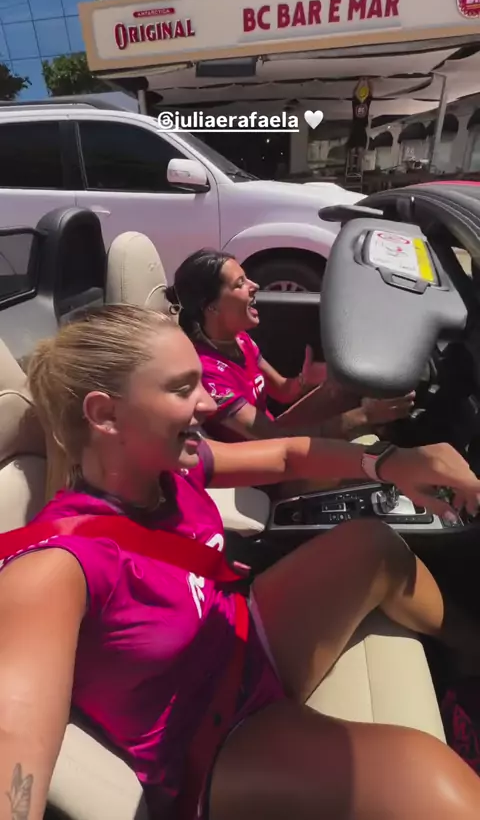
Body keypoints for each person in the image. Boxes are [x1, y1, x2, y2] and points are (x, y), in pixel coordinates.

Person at [1, 304, 480, 820]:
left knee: (372, 544)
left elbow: (285, 456)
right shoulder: (53, 568)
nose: (207, 402)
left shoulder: (170, 468)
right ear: (106, 415)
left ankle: (472, 660)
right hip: (215, 739)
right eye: (183, 389)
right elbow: (14, 737)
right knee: (429, 781)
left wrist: (391, 462)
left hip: (240, 640)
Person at [166, 250, 415, 444]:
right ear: (211, 307)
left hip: (275, 434)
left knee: (341, 385)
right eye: (240, 284)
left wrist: (305, 380)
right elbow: (276, 440)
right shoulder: (208, 374)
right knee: (369, 457)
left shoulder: (240, 340)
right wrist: (366, 416)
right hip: (263, 463)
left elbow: (284, 392)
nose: (254, 285)